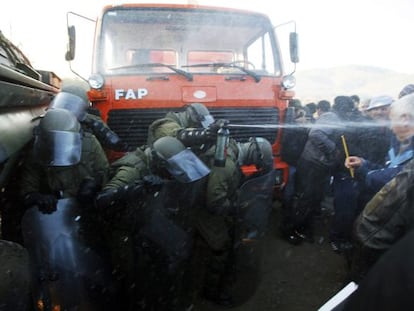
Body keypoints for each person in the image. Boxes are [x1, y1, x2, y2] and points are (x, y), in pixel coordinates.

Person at [95, 135, 210, 311]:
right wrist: (138, 187)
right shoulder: (132, 169)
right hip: (121, 226)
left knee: (172, 250)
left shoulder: (155, 158)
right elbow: (102, 200)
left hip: (142, 217)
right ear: (159, 162)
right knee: (129, 273)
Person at [19, 107, 112, 309]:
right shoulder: (38, 150)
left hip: (88, 211)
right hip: (58, 215)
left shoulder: (90, 144)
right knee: (60, 267)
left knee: (99, 263)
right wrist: (37, 197)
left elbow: (105, 173)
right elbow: (27, 187)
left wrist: (94, 184)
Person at [280, 96, 350, 245]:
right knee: (304, 199)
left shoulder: (334, 117)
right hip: (312, 163)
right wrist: (334, 150)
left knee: (312, 199)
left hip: (319, 165)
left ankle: (302, 228)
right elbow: (315, 134)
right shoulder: (332, 117)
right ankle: (289, 230)